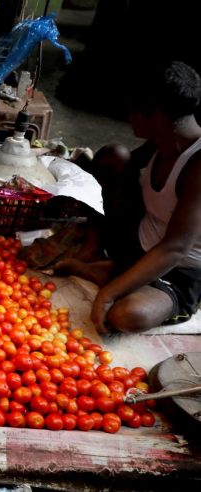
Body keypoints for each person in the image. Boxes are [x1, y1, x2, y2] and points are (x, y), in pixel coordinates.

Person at [56, 61, 201, 334]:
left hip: (178, 269)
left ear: (156, 114)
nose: (128, 115)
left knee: (126, 315)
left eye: (133, 107)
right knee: (113, 156)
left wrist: (108, 294)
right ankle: (96, 255)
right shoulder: (162, 141)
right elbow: (116, 178)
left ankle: (111, 275)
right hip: (139, 243)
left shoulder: (197, 165)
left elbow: (175, 248)